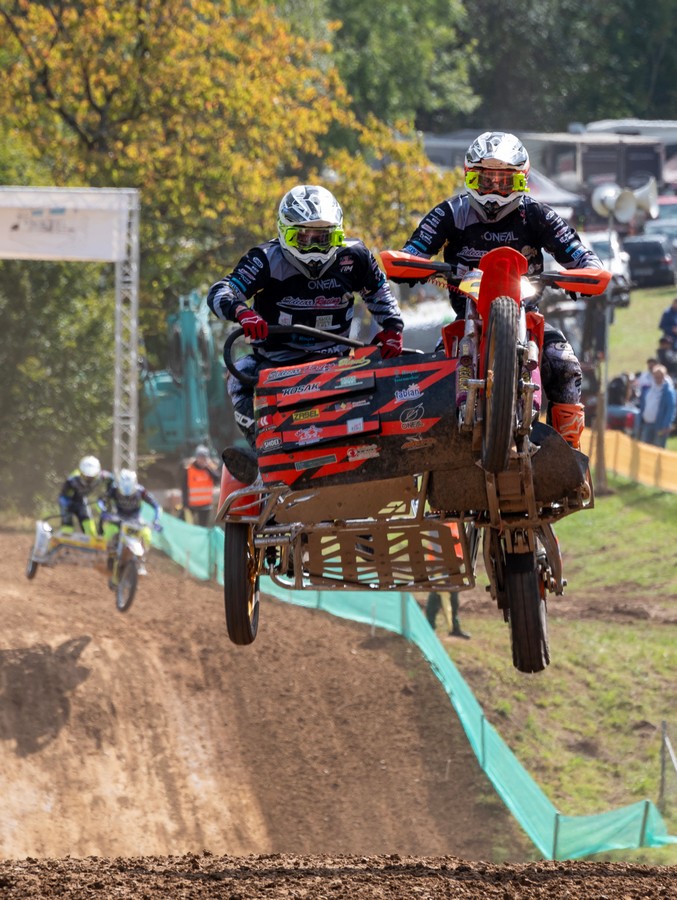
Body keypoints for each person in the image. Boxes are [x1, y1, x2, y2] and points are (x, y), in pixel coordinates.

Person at [401, 131, 604, 450]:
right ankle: (428, 458)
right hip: (465, 321)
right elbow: (413, 250)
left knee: (565, 364)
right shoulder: (451, 212)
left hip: (527, 318)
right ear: (470, 177)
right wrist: (408, 263)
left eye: (505, 181)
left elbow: (578, 252)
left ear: (522, 181)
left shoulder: (537, 214)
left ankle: (567, 453)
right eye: (486, 180)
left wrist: (589, 270)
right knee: (428, 380)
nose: (495, 190)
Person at [207, 184, 405, 475]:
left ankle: (392, 446)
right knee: (239, 375)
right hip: (276, 364)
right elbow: (220, 290)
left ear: (338, 234)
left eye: (323, 238)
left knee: (392, 368)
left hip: (336, 361)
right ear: (284, 232)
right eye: (303, 237)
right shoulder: (264, 259)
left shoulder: (356, 256)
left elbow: (379, 292)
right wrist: (242, 312)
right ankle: (263, 453)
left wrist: (393, 327)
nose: (314, 248)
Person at [98, 469, 163, 575]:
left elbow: (156, 506)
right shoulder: (114, 489)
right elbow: (101, 500)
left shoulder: (141, 491)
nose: (127, 497)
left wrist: (156, 520)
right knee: (109, 532)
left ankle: (141, 561)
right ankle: (107, 554)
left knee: (147, 534)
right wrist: (104, 511)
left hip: (135, 519)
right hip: (119, 517)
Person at [58, 455, 112, 537]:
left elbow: (113, 481)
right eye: (86, 477)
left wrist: (108, 495)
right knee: (67, 527)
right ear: (81, 473)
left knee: (90, 527)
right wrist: (68, 506)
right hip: (67, 502)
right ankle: (64, 541)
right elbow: (63, 496)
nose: (89, 480)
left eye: (92, 477)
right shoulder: (72, 480)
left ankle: (93, 543)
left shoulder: (102, 476)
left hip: (81, 500)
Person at [181, 445, 221, 526]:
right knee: (184, 523)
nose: (202, 460)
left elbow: (217, 480)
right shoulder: (189, 470)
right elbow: (184, 487)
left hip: (205, 506)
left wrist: (208, 468)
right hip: (191, 505)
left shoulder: (210, 469)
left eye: (204, 458)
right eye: (200, 457)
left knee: (203, 526)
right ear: (196, 458)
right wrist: (185, 503)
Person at [638, 364, 676, 448]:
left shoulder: (668, 391)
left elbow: (670, 409)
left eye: (660, 377)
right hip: (647, 424)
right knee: (645, 448)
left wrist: (666, 425)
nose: (658, 379)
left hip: (660, 426)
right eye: (656, 376)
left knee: (658, 448)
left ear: (664, 376)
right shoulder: (649, 389)